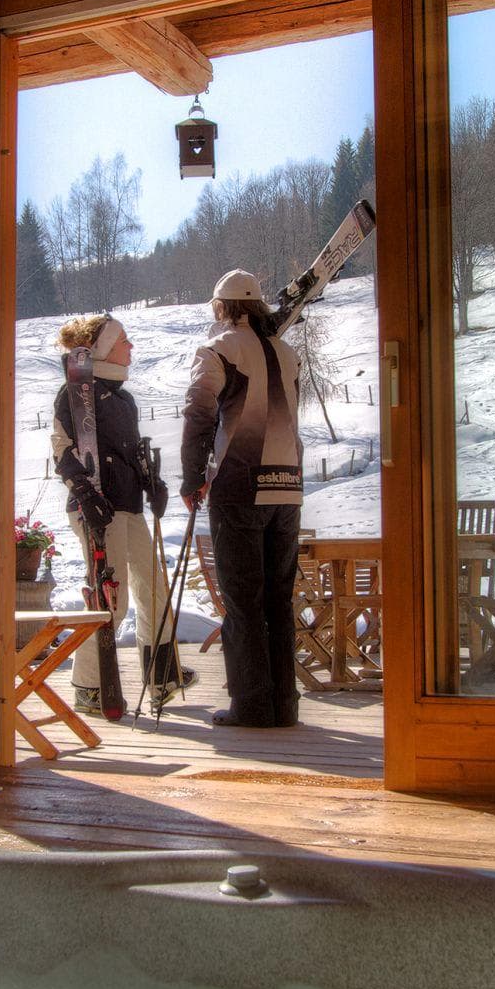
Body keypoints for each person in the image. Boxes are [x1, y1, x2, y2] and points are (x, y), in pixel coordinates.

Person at [180, 270, 304, 728]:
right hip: (287, 487)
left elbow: (199, 415)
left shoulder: (217, 351)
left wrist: (193, 478)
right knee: (278, 600)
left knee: (243, 601)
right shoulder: (288, 353)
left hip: (239, 487)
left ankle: (251, 705)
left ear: (222, 307)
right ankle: (284, 705)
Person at [50, 315, 184, 715]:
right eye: (124, 341)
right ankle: (89, 685)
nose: (131, 347)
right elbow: (62, 449)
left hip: (128, 505)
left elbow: (131, 455)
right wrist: (85, 494)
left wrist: (151, 483)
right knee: (114, 598)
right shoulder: (75, 393)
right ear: (105, 348)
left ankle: (161, 676)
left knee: (154, 588)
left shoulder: (122, 399)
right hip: (97, 510)